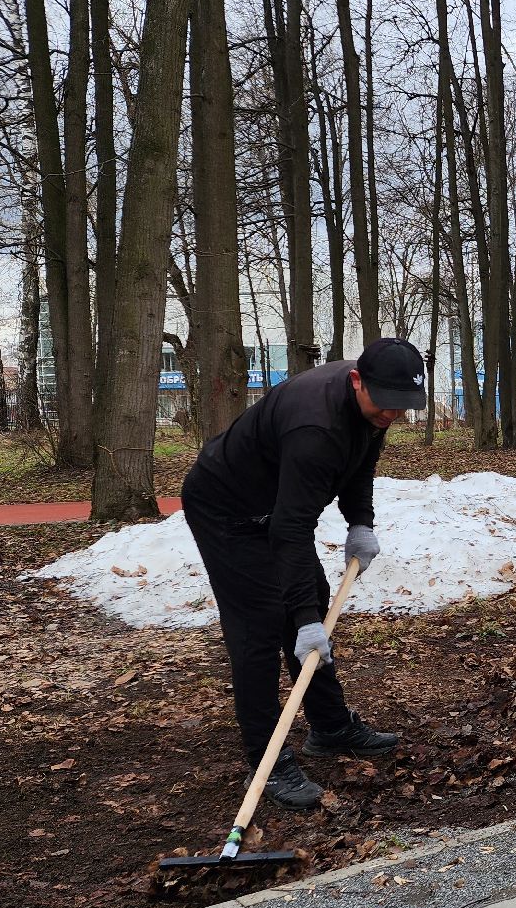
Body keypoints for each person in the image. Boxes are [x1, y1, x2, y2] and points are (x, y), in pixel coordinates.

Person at [181, 337, 427, 809]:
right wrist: (304, 617)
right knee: (261, 625)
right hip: (227, 510)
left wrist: (360, 522)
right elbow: (292, 527)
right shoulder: (315, 425)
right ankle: (267, 761)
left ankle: (330, 726)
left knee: (307, 596)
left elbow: (360, 461)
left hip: (274, 507)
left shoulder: (374, 401)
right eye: (387, 406)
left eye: (402, 407)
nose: (392, 416)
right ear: (357, 380)